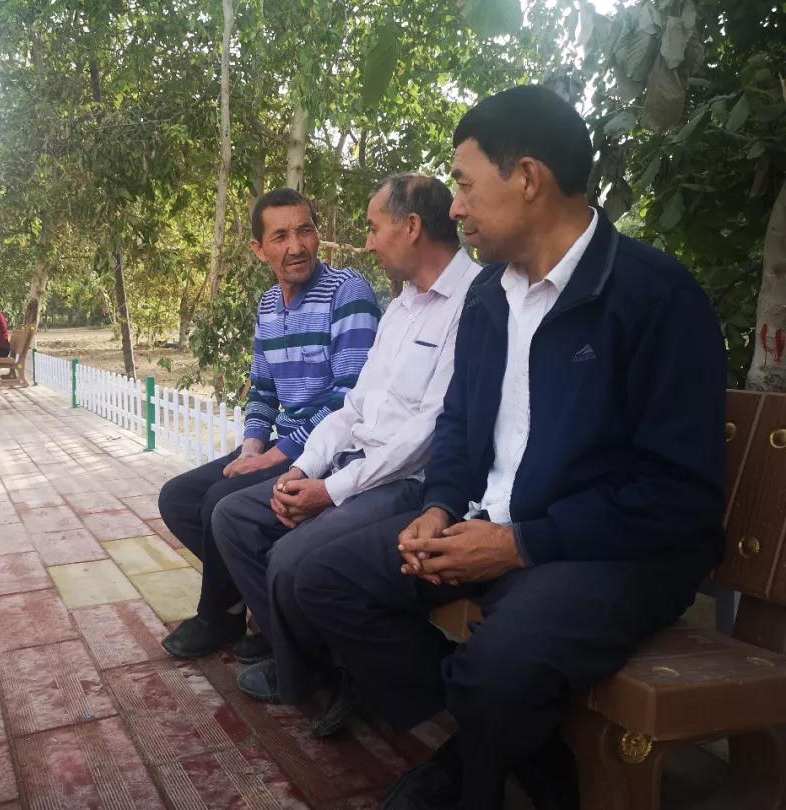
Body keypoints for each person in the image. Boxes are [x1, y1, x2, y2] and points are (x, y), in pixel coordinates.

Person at [293, 85, 726, 810]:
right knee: (326, 581)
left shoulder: (653, 297)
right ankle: (506, 745)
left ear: (527, 178)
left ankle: (478, 756)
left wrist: (520, 544)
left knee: (494, 667)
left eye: (465, 185)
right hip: (489, 523)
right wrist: (438, 507)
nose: (455, 207)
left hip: (613, 553)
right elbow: (459, 426)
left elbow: (680, 497)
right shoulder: (490, 295)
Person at [211, 175, 479, 733]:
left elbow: (429, 434)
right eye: (280, 236)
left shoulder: (472, 304)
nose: (367, 242)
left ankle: (339, 670)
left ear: (410, 227)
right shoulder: (404, 306)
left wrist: (329, 491)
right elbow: (354, 405)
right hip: (351, 463)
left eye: (374, 228)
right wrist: (303, 469)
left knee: (293, 560)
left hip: (408, 482)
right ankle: (313, 662)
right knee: (233, 514)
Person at [157, 187, 381, 662]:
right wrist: (252, 449)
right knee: (179, 497)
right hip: (285, 445)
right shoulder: (268, 306)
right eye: (280, 237)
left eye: (305, 230)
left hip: (332, 451)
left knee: (221, 502)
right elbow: (262, 391)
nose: (296, 246)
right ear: (260, 250)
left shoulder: (347, 291)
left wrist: (278, 454)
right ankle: (250, 602)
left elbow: (352, 395)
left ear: (318, 234)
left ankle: (238, 622)